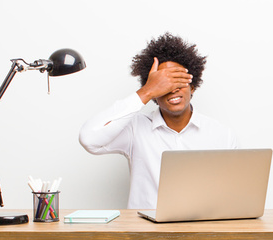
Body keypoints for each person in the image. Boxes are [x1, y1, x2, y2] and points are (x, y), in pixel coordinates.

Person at [79, 33, 238, 209]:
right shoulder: (135, 129)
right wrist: (146, 92)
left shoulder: (221, 134)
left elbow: (232, 194)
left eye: (179, 80)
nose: (173, 89)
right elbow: (89, 139)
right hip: (146, 234)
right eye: (164, 84)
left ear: (193, 86)